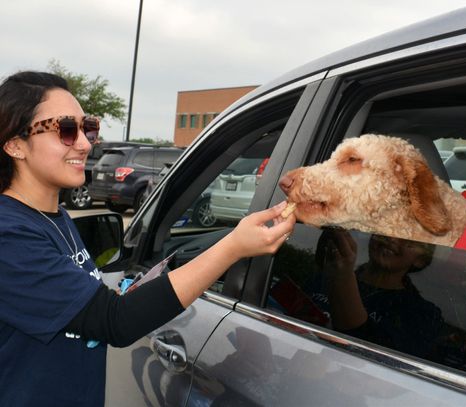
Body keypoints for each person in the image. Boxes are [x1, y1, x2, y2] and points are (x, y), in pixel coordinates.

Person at [0, 71, 296, 407]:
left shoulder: (56, 218)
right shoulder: (8, 234)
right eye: (66, 130)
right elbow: (115, 321)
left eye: (89, 127)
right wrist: (233, 246)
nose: (84, 143)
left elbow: (89, 306)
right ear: (14, 144)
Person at [317, 230, 443, 358]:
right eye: (387, 228)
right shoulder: (324, 276)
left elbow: (371, 356)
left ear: (421, 260)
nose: (392, 238)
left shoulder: (422, 314)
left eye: (409, 239)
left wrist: (342, 274)